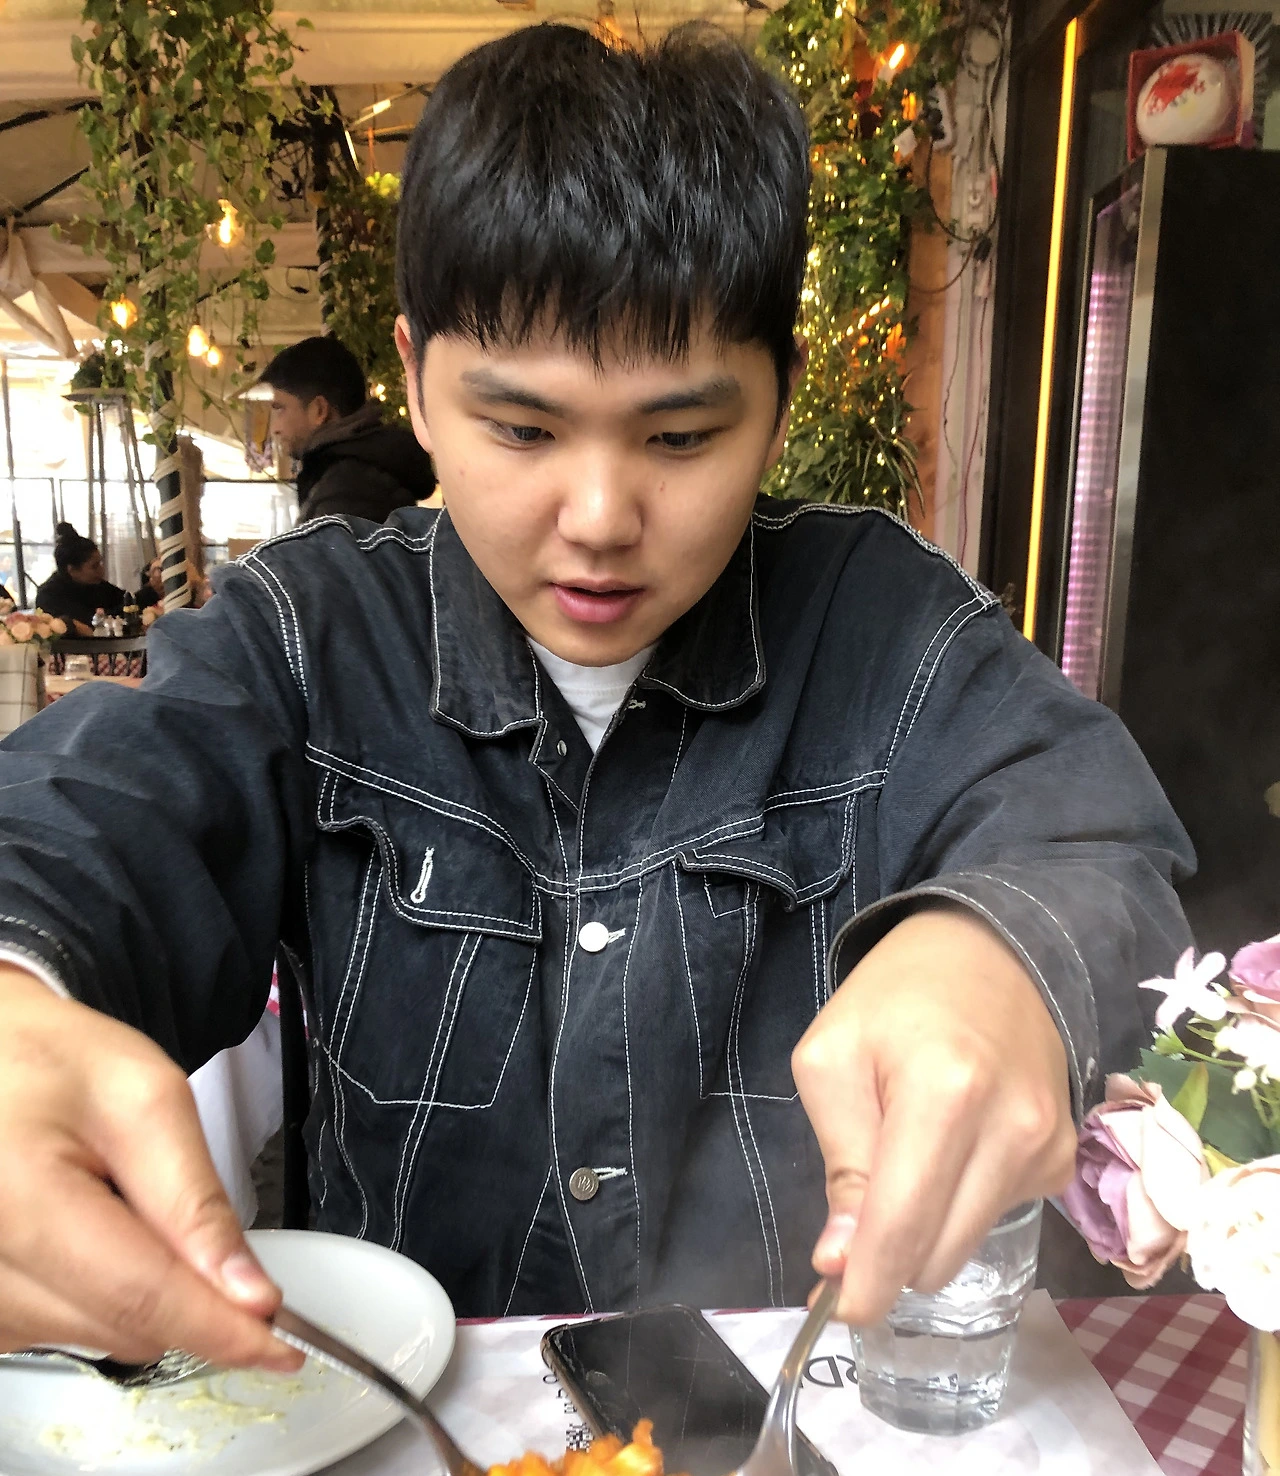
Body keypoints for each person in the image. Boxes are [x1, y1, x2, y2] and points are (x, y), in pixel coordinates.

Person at [0, 26, 1192, 1375]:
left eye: (681, 436)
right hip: (397, 1433)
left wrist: (999, 956)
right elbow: (95, 809)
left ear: (779, 399)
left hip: (805, 1425)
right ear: (415, 383)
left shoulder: (880, 624)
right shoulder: (312, 634)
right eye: (521, 428)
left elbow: (1091, 833)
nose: (600, 518)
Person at [260, 335, 437, 525]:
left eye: (279, 408)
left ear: (319, 410)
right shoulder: (359, 472)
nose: (275, 428)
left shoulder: (348, 491)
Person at [35, 524, 127, 636]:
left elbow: (128, 602)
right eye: (95, 566)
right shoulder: (48, 596)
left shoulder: (97, 586)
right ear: (72, 570)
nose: (102, 570)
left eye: (100, 563)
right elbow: (89, 621)